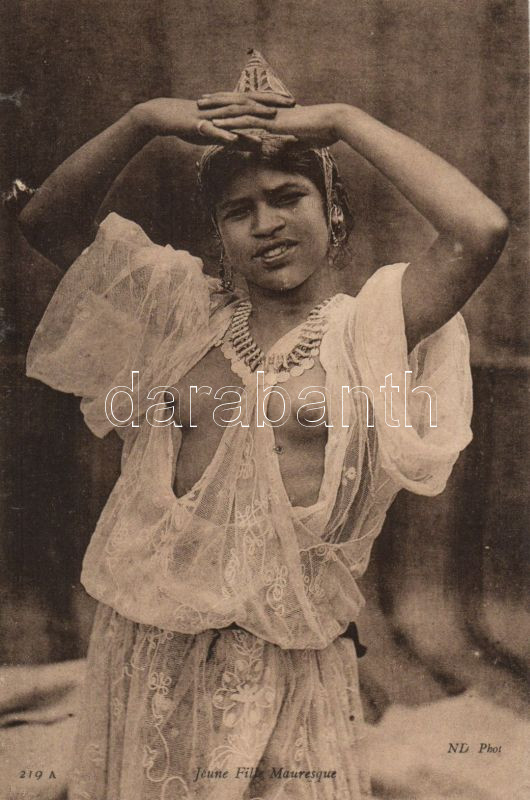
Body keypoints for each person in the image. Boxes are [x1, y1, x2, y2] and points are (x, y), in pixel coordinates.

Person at [19, 51, 507, 800]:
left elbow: (480, 229)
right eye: (238, 211)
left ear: (332, 210)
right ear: (219, 233)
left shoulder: (369, 328)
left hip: (286, 653)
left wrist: (342, 121)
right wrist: (145, 120)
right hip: (150, 644)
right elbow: (44, 220)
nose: (266, 225)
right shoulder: (181, 311)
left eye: (287, 197)